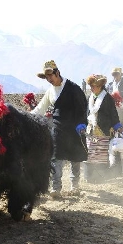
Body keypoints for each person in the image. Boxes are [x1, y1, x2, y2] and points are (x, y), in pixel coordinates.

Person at [31, 60, 87, 197]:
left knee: (75, 157)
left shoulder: (73, 88)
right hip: (58, 129)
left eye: (51, 75)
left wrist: (82, 124)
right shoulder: (50, 92)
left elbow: (82, 107)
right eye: (46, 77)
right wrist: (27, 116)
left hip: (74, 128)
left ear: (57, 73)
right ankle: (56, 188)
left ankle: (75, 186)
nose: (49, 79)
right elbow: (40, 108)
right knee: (56, 158)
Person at [83, 74, 123, 180]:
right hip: (91, 129)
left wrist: (117, 125)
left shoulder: (107, 98)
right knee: (91, 152)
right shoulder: (90, 97)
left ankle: (101, 176)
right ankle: (91, 177)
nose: (91, 88)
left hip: (104, 129)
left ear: (100, 86)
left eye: (93, 86)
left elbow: (113, 114)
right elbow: (87, 112)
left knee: (101, 154)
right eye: (90, 86)